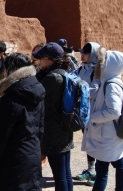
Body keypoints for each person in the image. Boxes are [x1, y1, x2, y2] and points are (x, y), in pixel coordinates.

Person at [0, 53, 45, 190]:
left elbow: (1, 137)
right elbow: (41, 128)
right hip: (32, 155)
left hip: (12, 161)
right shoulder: (38, 91)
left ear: (10, 70)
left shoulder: (11, 98)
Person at [82, 47, 123, 191]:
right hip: (107, 133)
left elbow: (114, 111)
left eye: (101, 62)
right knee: (116, 164)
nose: (97, 65)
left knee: (104, 170)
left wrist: (92, 118)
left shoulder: (111, 85)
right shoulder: (107, 81)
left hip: (108, 133)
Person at [33, 42, 74, 191]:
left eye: (41, 58)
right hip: (64, 127)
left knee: (60, 175)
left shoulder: (52, 78)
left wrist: (40, 72)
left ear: (50, 59)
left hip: (53, 130)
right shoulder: (64, 72)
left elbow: (35, 92)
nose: (39, 61)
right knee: (65, 172)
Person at [75, 42, 101, 186]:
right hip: (84, 111)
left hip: (94, 111)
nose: (82, 55)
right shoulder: (81, 68)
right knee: (88, 140)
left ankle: (99, 172)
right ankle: (91, 169)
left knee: (95, 141)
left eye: (85, 53)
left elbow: (94, 89)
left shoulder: (97, 70)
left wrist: (79, 93)